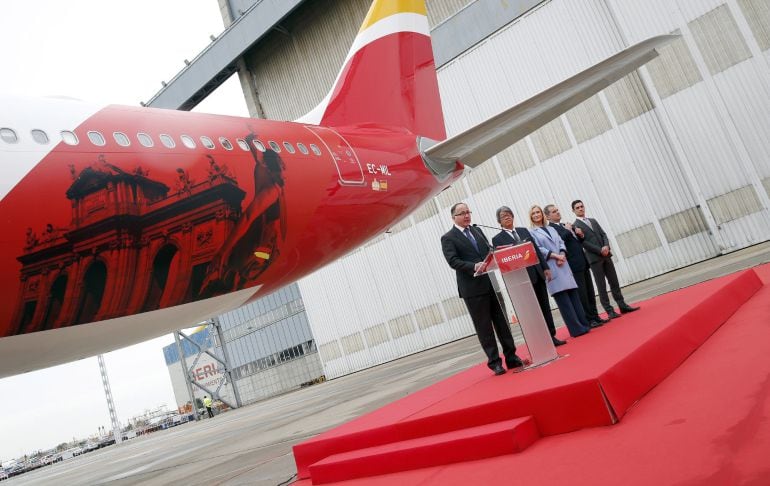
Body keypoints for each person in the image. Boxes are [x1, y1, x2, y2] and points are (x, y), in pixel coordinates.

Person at [441, 203, 524, 375]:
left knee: (502, 323)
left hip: (490, 284)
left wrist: (497, 254)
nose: (466, 216)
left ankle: (511, 357)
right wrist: (474, 266)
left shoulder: (477, 231)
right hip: (472, 289)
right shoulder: (448, 237)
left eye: (468, 212)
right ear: (453, 217)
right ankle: (495, 362)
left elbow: (488, 251)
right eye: (462, 213)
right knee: (484, 327)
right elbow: (453, 261)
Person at [491, 206, 566, 347]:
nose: (507, 217)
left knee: (545, 306)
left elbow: (535, 249)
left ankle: (551, 336)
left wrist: (545, 267)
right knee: (532, 312)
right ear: (499, 221)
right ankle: (540, 339)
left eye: (509, 214)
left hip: (537, 274)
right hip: (521, 281)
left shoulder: (523, 231)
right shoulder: (497, 239)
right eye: (503, 216)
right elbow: (503, 260)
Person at [528, 205, 591, 338]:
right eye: (534, 213)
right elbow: (538, 249)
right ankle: (576, 329)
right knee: (564, 302)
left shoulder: (551, 228)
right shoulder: (532, 232)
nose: (537, 215)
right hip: (551, 265)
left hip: (563, 263)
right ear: (531, 217)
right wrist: (556, 256)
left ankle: (584, 324)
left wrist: (562, 253)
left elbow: (561, 242)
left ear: (542, 214)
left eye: (538, 212)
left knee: (574, 297)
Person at [571, 200, 640, 319]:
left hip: (606, 255)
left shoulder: (593, 220)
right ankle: (609, 311)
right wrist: (599, 250)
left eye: (582, 206)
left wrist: (606, 246)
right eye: (577, 208)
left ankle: (622, 305)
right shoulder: (575, 226)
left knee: (614, 281)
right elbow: (584, 243)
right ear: (573, 210)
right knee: (601, 286)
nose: (581, 209)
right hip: (594, 259)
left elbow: (603, 234)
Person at [543, 204, 608, 328]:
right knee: (582, 294)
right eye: (554, 211)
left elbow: (578, 242)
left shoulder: (564, 225)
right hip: (573, 264)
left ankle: (595, 316)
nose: (558, 212)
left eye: (557, 210)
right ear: (548, 216)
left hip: (583, 261)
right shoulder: (552, 229)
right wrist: (568, 231)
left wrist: (580, 234)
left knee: (590, 291)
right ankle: (589, 320)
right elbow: (559, 242)